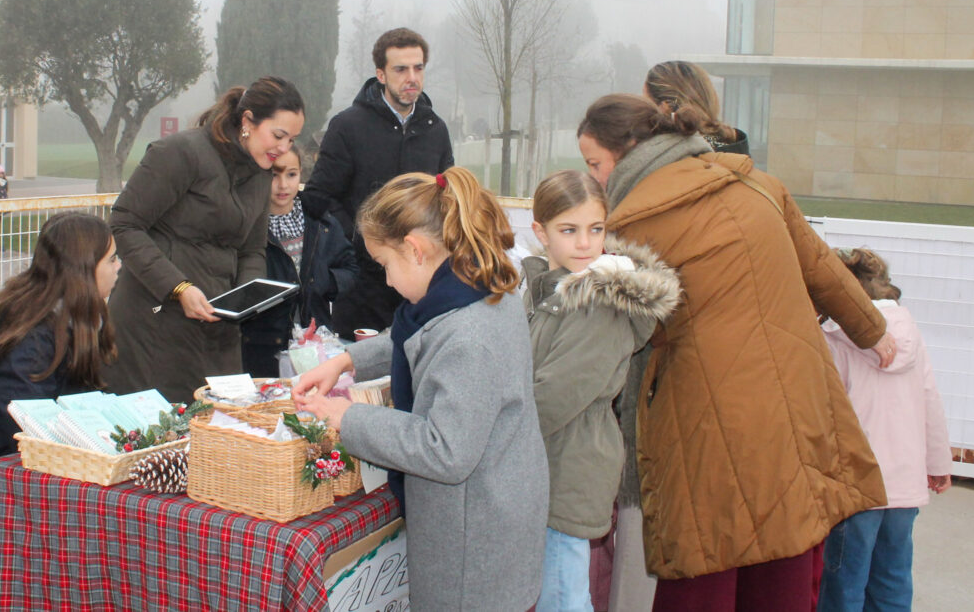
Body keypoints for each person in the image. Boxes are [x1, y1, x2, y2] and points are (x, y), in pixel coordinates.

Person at [576, 93, 896, 611]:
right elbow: (823, 269)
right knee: (786, 549)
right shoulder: (758, 184)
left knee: (709, 555)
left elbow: (620, 338)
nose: (595, 179)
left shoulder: (630, 226)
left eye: (595, 164)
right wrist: (874, 331)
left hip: (703, 420)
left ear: (630, 150)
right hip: (798, 404)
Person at [293, 167, 548, 610]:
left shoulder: (469, 336)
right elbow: (417, 334)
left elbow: (444, 451)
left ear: (415, 250)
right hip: (492, 512)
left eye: (385, 265)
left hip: (474, 543)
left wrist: (347, 417)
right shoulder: (473, 287)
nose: (388, 281)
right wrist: (348, 359)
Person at [523, 170, 680, 612]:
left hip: (571, 465)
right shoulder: (548, 289)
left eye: (596, 229)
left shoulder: (598, 303)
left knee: (563, 593)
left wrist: (492, 437)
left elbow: (555, 394)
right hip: (549, 460)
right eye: (569, 230)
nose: (585, 244)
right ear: (541, 232)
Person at [104, 76, 304, 403]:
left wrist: (245, 298)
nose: (284, 149)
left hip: (218, 329)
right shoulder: (179, 152)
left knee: (217, 431)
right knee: (159, 438)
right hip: (152, 324)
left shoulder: (260, 175)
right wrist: (178, 288)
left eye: (292, 139)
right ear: (247, 121)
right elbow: (125, 223)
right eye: (278, 135)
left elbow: (252, 249)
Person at [817, 248, 952, 612]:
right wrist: (938, 463)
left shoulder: (832, 337)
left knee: (843, 583)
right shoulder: (911, 331)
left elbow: (825, 412)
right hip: (904, 487)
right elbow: (929, 399)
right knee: (892, 579)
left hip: (855, 486)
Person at [306, 27, 454, 340]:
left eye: (418, 68)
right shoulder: (347, 127)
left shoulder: (436, 129)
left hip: (423, 289)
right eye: (401, 69)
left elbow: (447, 198)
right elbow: (319, 198)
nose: (411, 77)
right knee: (362, 382)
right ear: (381, 74)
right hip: (364, 289)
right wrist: (367, 241)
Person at [0, 213, 120, 506]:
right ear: (84, 268)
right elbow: (28, 425)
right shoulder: (27, 335)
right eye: (112, 259)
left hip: (56, 463)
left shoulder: (77, 316)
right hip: (9, 476)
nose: (119, 266)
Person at [240, 144, 358, 377]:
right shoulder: (247, 224)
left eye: (291, 174)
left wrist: (325, 282)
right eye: (274, 175)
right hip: (262, 345)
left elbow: (350, 267)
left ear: (301, 174)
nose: (283, 185)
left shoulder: (320, 220)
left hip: (314, 342)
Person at [643, 60, 749, 154]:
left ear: (665, 108)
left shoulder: (666, 166)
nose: (640, 113)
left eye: (645, 103)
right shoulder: (736, 153)